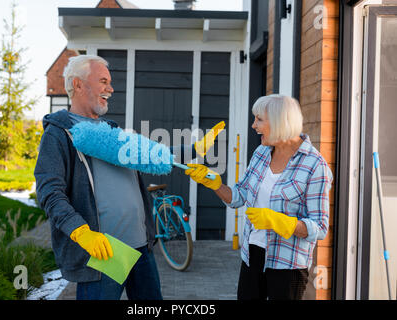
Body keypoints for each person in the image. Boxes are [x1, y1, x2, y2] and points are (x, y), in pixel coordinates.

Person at [34, 54, 223, 300]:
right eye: (103, 81)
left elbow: (148, 155)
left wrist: (194, 151)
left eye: (110, 82)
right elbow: (49, 192)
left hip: (141, 246)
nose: (110, 89)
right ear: (78, 84)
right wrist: (80, 232)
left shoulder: (110, 130)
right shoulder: (60, 134)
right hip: (104, 252)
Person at [185, 94, 333, 300]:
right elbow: (238, 196)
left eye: (259, 119)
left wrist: (281, 222)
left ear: (280, 121)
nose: (254, 125)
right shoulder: (262, 153)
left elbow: (320, 228)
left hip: (287, 265)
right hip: (252, 255)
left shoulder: (315, 166)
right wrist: (215, 183)